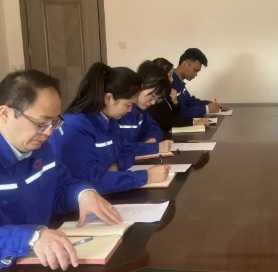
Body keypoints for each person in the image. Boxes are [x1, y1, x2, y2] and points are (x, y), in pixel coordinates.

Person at [0, 70, 123, 272]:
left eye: (54, 122)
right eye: (41, 123)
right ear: (6, 113)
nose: (49, 133)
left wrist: (82, 193)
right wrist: (30, 237)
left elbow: (60, 184)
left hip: (35, 266)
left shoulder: (36, 143)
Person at [52, 63, 170, 195]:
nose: (130, 110)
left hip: (105, 192)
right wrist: (146, 176)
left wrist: (117, 165)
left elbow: (126, 150)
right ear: (108, 99)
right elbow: (90, 180)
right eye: (128, 105)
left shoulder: (110, 120)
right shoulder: (76, 127)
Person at [117, 61, 174, 157]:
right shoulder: (119, 111)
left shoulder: (141, 110)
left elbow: (154, 128)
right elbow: (120, 148)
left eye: (157, 99)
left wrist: (152, 139)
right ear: (141, 85)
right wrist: (154, 148)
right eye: (152, 96)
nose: (153, 102)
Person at [147, 58, 210, 132]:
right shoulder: (153, 96)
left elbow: (176, 114)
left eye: (172, 76)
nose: (172, 79)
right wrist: (194, 122)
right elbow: (165, 121)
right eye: (169, 76)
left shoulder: (166, 92)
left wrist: (175, 102)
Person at [172, 48, 226, 117]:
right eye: (195, 70)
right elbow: (179, 112)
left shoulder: (179, 81)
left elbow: (190, 102)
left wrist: (211, 105)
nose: (196, 74)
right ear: (185, 64)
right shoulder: (170, 82)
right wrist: (206, 109)